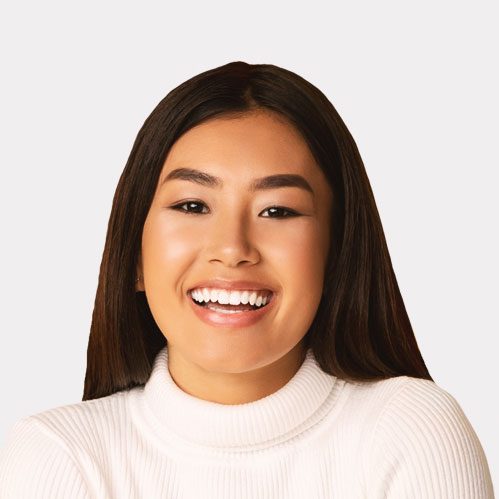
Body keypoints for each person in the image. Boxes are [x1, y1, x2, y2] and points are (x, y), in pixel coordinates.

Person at [0, 61, 494, 498]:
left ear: (336, 253)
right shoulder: (60, 455)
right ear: (134, 256)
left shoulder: (409, 431)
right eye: (192, 205)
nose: (232, 248)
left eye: (277, 210)